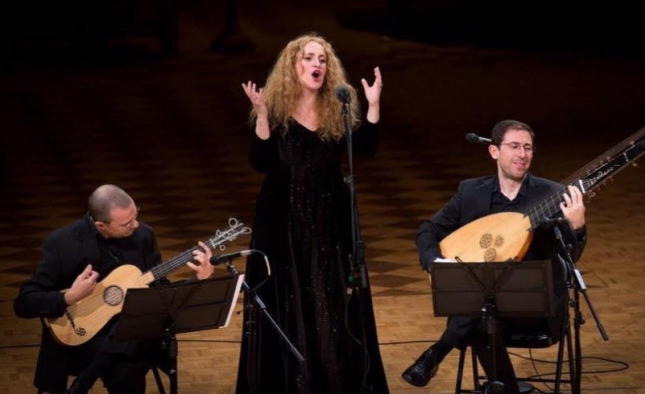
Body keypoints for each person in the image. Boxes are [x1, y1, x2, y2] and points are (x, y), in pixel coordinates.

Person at [235, 33, 389, 394]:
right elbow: (260, 163)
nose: (317, 64)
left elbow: (366, 149)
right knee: (288, 303)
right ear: (293, 66)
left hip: (329, 225)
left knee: (332, 305)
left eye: (322, 59)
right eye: (308, 58)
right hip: (283, 227)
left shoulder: (338, 108)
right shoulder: (274, 110)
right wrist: (261, 117)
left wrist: (373, 106)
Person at [401, 119, 588, 392]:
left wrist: (578, 227)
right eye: (514, 146)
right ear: (494, 152)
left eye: (528, 148)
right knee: (482, 316)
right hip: (485, 309)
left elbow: (571, 256)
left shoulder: (551, 195)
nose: (522, 154)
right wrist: (434, 263)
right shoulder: (471, 192)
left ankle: (437, 353)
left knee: (476, 314)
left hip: (535, 305)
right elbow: (428, 230)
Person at [14, 184, 214, 394]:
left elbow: (160, 289)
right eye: (127, 224)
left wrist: (199, 280)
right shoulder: (61, 244)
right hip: (80, 334)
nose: (136, 225)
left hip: (131, 329)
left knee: (129, 347)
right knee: (124, 361)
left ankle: (84, 382)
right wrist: (69, 297)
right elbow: (24, 303)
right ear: (101, 225)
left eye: (136, 215)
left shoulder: (143, 235)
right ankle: (88, 378)